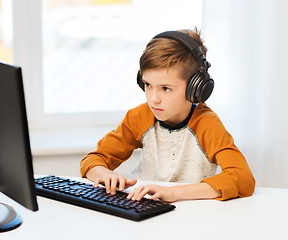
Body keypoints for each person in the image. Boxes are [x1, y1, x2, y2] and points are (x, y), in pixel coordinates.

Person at [80, 28, 255, 202]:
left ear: (196, 89)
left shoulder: (207, 124)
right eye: (148, 85)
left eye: (165, 88)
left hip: (190, 212)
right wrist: (104, 174)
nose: (153, 99)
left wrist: (174, 193)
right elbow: (93, 160)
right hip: (141, 205)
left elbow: (243, 178)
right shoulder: (139, 117)